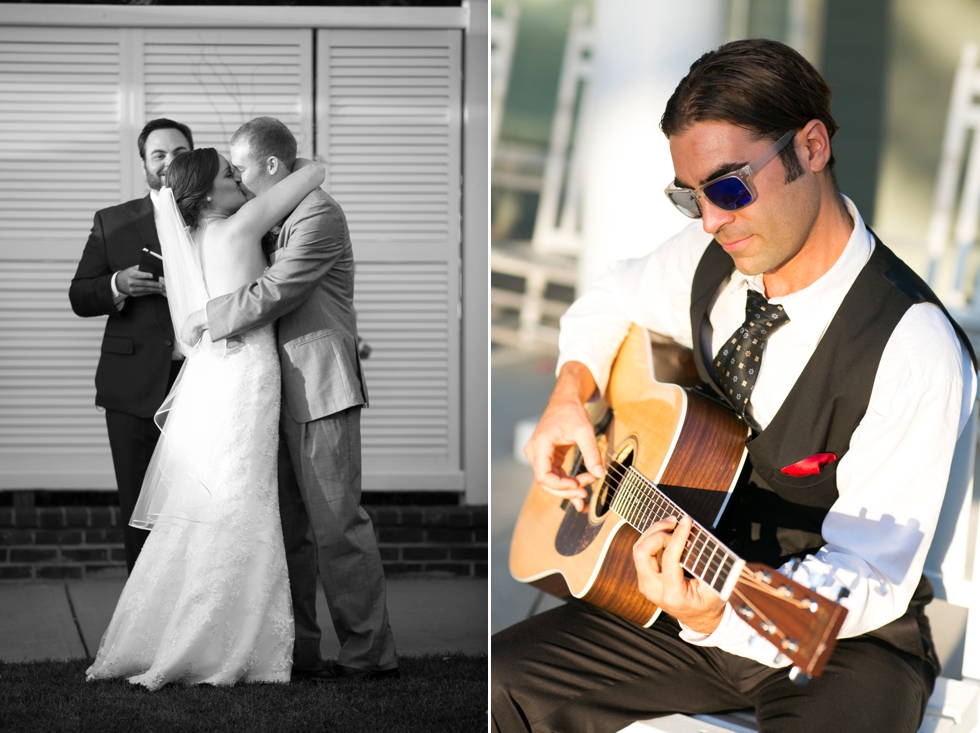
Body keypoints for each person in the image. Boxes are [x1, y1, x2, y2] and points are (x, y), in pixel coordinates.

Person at [491, 38, 978, 733]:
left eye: (728, 188)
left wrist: (725, 608)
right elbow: (608, 299)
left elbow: (871, 572)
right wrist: (572, 390)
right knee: (496, 685)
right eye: (691, 198)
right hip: (682, 595)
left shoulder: (911, 343)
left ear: (811, 148)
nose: (712, 221)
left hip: (840, 638)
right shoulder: (706, 257)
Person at [85, 147, 327, 689]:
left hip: (216, 375)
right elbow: (314, 174)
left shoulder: (191, 240)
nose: (239, 180)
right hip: (249, 371)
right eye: (229, 174)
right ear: (207, 194)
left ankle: (177, 627)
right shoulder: (240, 226)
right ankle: (228, 638)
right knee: (243, 498)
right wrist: (291, 159)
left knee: (214, 497)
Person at [181, 117, 398, 681]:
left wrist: (210, 317)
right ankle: (298, 650)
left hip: (320, 389)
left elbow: (279, 291)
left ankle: (368, 655)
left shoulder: (319, 214)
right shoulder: (279, 208)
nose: (236, 176)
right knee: (286, 531)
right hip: (268, 389)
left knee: (338, 526)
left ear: (271, 167)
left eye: (242, 167)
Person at [69, 118, 194, 574]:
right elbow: (80, 295)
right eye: (158, 154)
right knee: (140, 507)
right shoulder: (114, 221)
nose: (168, 162)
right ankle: (141, 624)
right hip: (133, 386)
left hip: (204, 385)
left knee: (199, 506)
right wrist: (117, 283)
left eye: (179, 153)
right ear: (144, 163)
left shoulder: (218, 216)